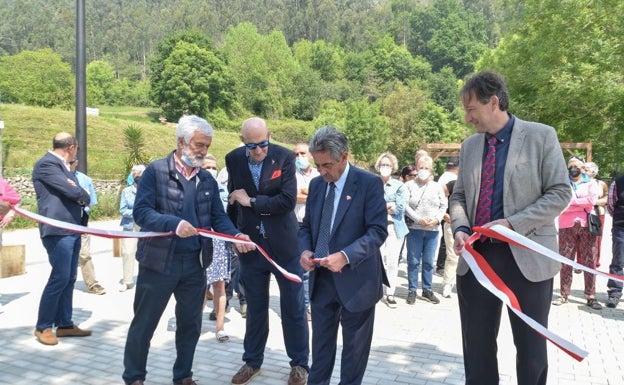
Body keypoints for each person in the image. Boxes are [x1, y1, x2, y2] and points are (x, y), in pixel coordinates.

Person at [450, 71, 571, 385]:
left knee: (531, 351)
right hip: (477, 262)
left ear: (493, 102)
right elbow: (459, 195)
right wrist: (460, 227)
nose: (467, 118)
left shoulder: (541, 136)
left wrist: (512, 225)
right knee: (476, 350)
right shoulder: (470, 147)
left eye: (471, 109)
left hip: (528, 258)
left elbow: (560, 192)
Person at [122, 115, 254, 385]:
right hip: (158, 263)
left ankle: (183, 376)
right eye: (198, 145)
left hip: (195, 265)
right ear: (181, 142)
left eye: (206, 146)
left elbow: (218, 217)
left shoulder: (205, 179)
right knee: (144, 324)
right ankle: (134, 377)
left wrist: (236, 234)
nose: (203, 151)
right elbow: (142, 212)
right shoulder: (156, 172)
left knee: (190, 325)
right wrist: (174, 223)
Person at [299, 125, 388, 385]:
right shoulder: (317, 185)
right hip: (322, 280)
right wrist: (304, 250)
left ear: (344, 156)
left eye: (327, 165)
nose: (322, 171)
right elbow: (306, 227)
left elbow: (377, 231)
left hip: (357, 282)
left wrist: (345, 256)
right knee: (321, 349)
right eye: (317, 165)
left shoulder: (368, 184)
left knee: (354, 354)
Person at [226, 117, 309, 385]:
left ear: (269, 136)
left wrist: (250, 201)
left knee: (293, 308)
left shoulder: (284, 157)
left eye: (263, 143)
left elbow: (286, 201)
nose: (259, 150)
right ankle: (252, 362)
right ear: (243, 142)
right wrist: (234, 233)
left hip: (284, 247)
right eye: (252, 146)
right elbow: (232, 200)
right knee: (256, 308)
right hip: (251, 248)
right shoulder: (233, 159)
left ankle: (299, 365)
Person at [32, 132, 93, 346]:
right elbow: (76, 192)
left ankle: (65, 324)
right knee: (59, 276)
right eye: (76, 149)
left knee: (69, 277)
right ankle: (43, 326)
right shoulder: (47, 165)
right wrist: (79, 191)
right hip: (58, 230)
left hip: (72, 228)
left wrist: (76, 187)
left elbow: (78, 189)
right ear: (71, 148)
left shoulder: (64, 167)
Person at [551, 156, 601, 309]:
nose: (573, 169)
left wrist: (572, 203)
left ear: (582, 168)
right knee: (566, 259)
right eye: (571, 166)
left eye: (576, 166)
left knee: (589, 260)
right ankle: (564, 294)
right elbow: (561, 202)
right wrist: (579, 202)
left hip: (587, 224)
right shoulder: (562, 184)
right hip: (566, 225)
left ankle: (591, 295)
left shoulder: (591, 183)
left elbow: (592, 201)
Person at [404, 155, 446, 305]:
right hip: (415, 228)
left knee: (428, 261)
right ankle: (412, 290)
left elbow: (443, 205)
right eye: (421, 167)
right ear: (416, 167)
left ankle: (427, 289)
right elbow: (405, 205)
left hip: (433, 229)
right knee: (413, 261)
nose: (423, 170)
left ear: (431, 170)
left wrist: (437, 219)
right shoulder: (409, 185)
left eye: (426, 168)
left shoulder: (436, 187)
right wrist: (417, 219)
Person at [201, 154, 232, 342]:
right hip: (200, 241)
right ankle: (194, 325)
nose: (211, 171)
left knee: (219, 284)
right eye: (207, 167)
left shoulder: (224, 190)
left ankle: (220, 327)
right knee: (199, 286)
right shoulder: (195, 189)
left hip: (219, 242)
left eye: (214, 167)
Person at [375, 151, 408, 308]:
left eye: (388, 165)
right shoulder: (372, 182)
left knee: (393, 261)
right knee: (377, 260)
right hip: (375, 227)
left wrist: (381, 206)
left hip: (395, 227)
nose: (385, 167)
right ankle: (376, 290)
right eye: (383, 165)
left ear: (393, 167)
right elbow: (367, 206)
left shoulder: (399, 185)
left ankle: (390, 293)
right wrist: (388, 205)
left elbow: (400, 207)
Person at [70, 158, 106, 295]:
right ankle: (64, 282)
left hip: (81, 223)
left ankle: (92, 284)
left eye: (71, 161)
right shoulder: (58, 178)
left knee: (84, 254)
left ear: (76, 162)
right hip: (64, 224)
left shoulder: (85, 179)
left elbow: (92, 202)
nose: (69, 164)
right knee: (66, 255)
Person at [293, 141, 320, 321]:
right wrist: (308, 194)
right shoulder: (291, 174)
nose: (299, 157)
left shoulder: (319, 173)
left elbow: (322, 197)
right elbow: (292, 197)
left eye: (302, 153)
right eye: (296, 154)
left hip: (316, 226)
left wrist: (305, 194)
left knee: (315, 266)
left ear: (310, 154)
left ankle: (314, 302)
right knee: (302, 268)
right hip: (296, 225)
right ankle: (305, 306)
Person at [118, 164, 145, 292]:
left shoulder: (148, 190)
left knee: (146, 253)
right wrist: (137, 212)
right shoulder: (126, 191)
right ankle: (127, 281)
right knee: (127, 252)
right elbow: (122, 209)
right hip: (130, 225)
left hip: (145, 225)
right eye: (137, 175)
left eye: (141, 175)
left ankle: (145, 279)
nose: (139, 177)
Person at [435, 157, 459, 276]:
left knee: (446, 243)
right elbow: (440, 194)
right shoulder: (453, 180)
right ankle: (441, 267)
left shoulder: (444, 176)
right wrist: (443, 211)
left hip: (453, 216)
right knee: (447, 244)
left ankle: (441, 266)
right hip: (449, 217)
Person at [585, 161, 608, 267]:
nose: (583, 171)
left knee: (597, 238)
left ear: (593, 171)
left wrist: (594, 202)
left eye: (586, 170)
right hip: (583, 213)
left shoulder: (601, 184)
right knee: (582, 238)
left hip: (598, 214)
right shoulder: (580, 183)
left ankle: (595, 262)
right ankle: (581, 262)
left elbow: (607, 198)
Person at [606, 173, 624, 308]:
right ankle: (614, 293)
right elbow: (611, 205)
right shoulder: (617, 182)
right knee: (618, 261)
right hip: (621, 227)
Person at [441, 179, 458, 298]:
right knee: (452, 256)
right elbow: (439, 195)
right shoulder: (454, 183)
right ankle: (448, 284)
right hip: (451, 222)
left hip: (473, 224)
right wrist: (443, 213)